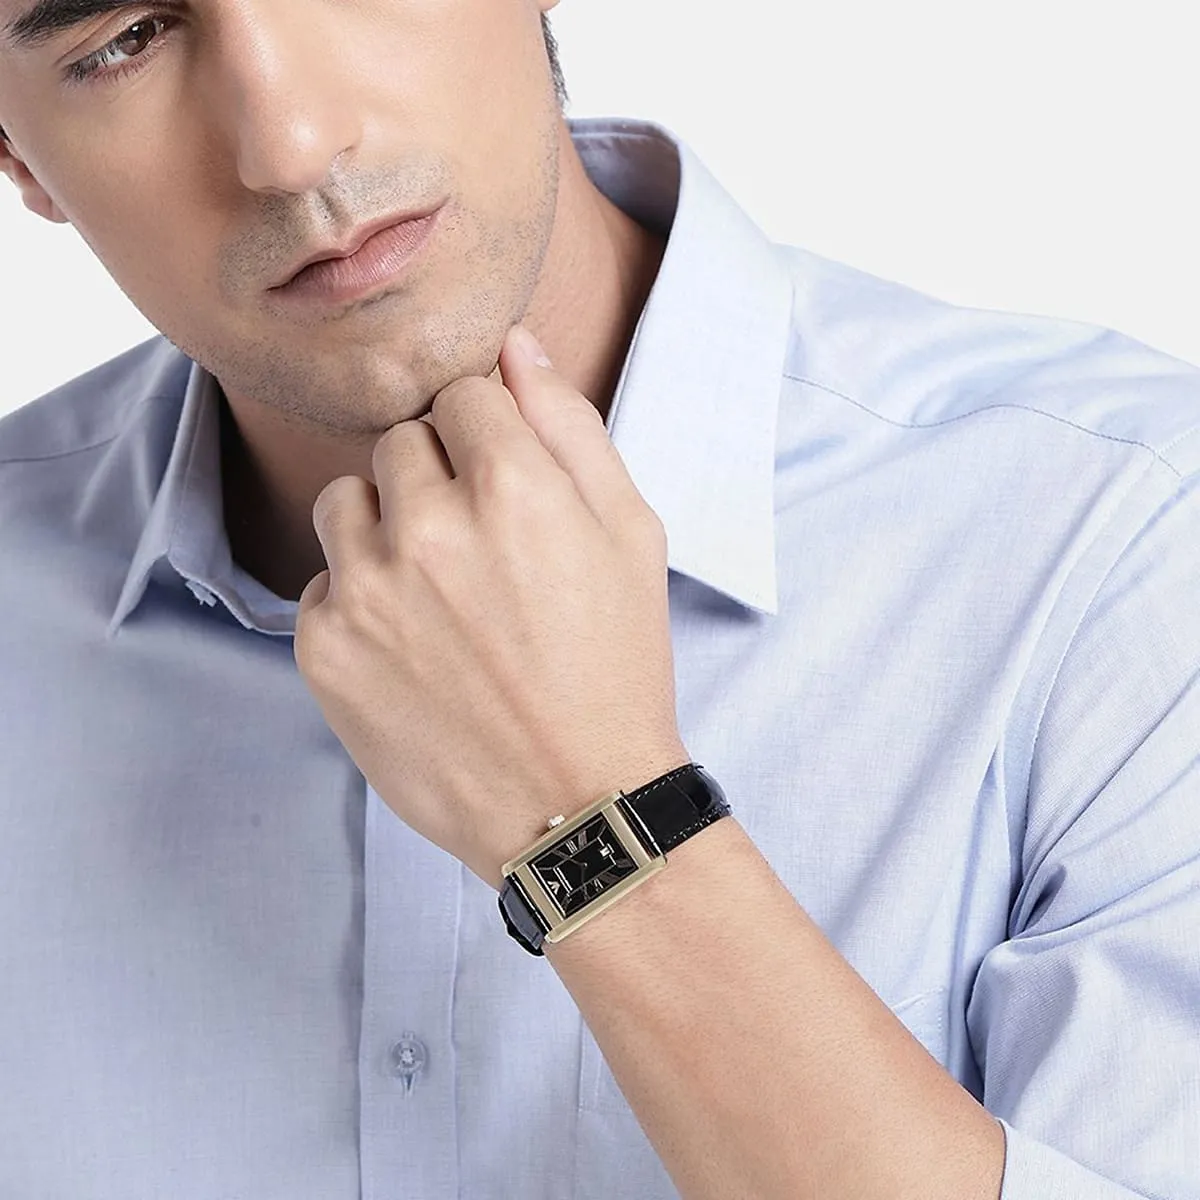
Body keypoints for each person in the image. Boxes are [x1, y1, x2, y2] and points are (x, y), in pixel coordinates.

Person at [0, 2, 1196, 1197]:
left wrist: (594, 812)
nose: (293, 145)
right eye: (122, 41)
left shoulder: (1120, 536)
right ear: (15, 156)